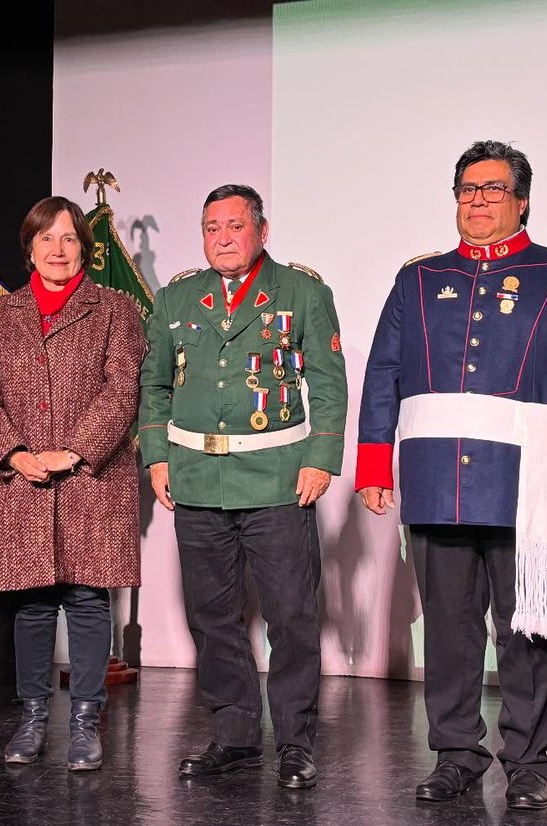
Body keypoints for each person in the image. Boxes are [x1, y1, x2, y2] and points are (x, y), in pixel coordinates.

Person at [356, 141, 547, 808]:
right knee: (447, 629)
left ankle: (528, 762)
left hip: (527, 483)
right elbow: (383, 372)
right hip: (436, 480)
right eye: (467, 189)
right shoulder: (417, 278)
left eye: (492, 189)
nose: (477, 200)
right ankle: (455, 754)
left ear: (522, 199)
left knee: (527, 628)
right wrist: (371, 464)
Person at [138, 184, 346, 789]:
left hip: (277, 477)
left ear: (261, 230)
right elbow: (154, 384)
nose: (222, 237)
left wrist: (321, 458)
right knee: (212, 617)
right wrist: (156, 458)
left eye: (234, 226)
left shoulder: (301, 292)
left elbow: (328, 381)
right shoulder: (178, 296)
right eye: (211, 227)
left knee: (290, 615)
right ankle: (233, 735)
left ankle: (295, 741)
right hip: (196, 477)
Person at [0, 196, 146, 770]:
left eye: (69, 239)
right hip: (24, 481)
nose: (58, 250)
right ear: (29, 249)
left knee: (89, 602)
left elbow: (123, 392)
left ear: (84, 251)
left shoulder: (116, 310)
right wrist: (15, 454)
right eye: (46, 239)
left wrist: (76, 450)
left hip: (93, 478)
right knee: (34, 605)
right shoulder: (0, 315)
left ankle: (86, 721)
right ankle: (34, 717)